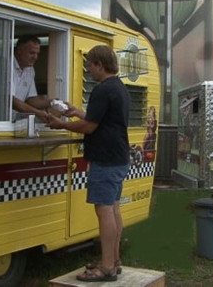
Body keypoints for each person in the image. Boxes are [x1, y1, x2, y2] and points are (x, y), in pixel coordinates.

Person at [45, 45, 129, 282]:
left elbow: (90, 127)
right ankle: (114, 261)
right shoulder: (119, 88)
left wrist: (61, 125)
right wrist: (76, 112)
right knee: (112, 208)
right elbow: (99, 120)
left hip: (105, 159)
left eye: (90, 64)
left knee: (104, 211)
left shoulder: (102, 90)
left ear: (100, 65)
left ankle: (106, 268)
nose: (89, 69)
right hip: (118, 157)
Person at [12, 35, 51, 122]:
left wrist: (50, 103)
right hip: (0, 122)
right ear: (19, 51)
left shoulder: (30, 70)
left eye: (37, 53)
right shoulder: (7, 66)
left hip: (16, 121)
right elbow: (11, 100)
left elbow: (31, 99)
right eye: (31, 53)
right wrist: (37, 113)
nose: (35, 57)